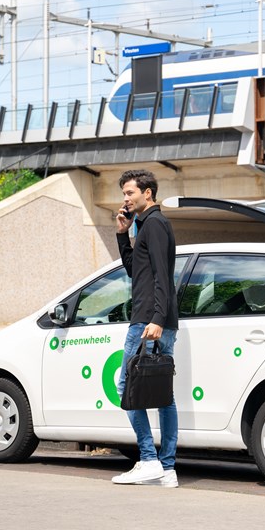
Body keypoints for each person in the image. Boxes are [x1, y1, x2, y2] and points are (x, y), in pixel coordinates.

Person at [111, 169, 179, 488]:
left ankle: (151, 459)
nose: (125, 199)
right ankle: (166, 469)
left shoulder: (155, 224)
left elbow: (163, 277)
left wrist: (156, 319)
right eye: (124, 194)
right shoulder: (146, 225)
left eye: (130, 193)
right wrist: (123, 235)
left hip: (149, 320)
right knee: (163, 395)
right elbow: (135, 273)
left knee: (127, 385)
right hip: (153, 317)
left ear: (147, 193)